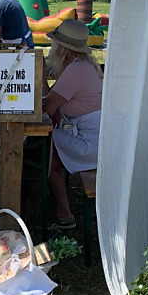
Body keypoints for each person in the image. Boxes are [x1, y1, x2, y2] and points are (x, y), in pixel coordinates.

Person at [41, 19, 103, 230]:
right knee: (52, 147)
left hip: (93, 144)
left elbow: (48, 107)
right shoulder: (81, 66)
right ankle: (58, 209)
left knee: (49, 156)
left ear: (61, 47)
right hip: (98, 139)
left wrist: (41, 76)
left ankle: (64, 214)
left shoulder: (76, 70)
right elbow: (54, 101)